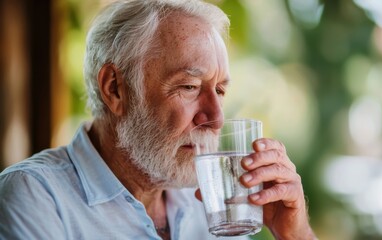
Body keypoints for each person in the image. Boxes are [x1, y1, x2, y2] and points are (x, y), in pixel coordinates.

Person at [0, 0, 317, 239]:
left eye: (219, 90)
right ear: (115, 89)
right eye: (189, 87)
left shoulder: (211, 203)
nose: (216, 118)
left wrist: (295, 233)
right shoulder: (35, 197)